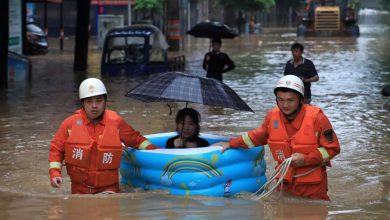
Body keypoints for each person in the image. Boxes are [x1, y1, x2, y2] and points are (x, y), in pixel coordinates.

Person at [213, 75, 340, 200]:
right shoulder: (272, 116)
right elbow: (257, 137)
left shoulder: (318, 118)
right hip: (284, 185)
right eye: (280, 100)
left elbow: (333, 149)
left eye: (290, 100)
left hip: (313, 189)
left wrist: (306, 159)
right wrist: (231, 143)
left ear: (301, 100)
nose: (285, 105)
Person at [48, 78, 159, 194]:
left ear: (105, 101)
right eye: (89, 101)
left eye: (99, 101)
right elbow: (56, 149)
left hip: (109, 190)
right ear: (82, 103)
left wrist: (158, 152)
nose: (94, 106)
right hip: (79, 191)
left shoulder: (116, 122)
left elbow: (137, 140)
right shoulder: (69, 124)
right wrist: (55, 173)